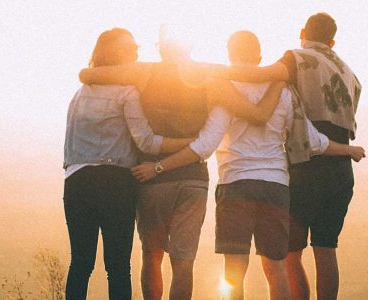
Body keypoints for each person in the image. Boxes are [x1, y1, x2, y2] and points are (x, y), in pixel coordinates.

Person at [130, 31, 365, 300]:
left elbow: (205, 145)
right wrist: (348, 149)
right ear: (260, 56)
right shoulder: (285, 92)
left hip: (235, 185)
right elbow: (311, 140)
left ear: (230, 54)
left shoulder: (225, 90)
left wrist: (160, 166)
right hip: (275, 187)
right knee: (275, 268)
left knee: (234, 271)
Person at [78, 27, 283, 300]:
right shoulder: (210, 76)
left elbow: (87, 74)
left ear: (161, 46)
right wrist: (281, 77)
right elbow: (257, 114)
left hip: (151, 177)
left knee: (152, 256)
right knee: (183, 263)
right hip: (194, 180)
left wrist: (89, 72)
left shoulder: (144, 72)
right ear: (189, 45)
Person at [219, 13, 363, 300]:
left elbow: (258, 76)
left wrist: (207, 72)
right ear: (332, 41)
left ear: (302, 32)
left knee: (289, 254)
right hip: (340, 168)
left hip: (305, 166)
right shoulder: (349, 73)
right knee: (326, 249)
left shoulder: (295, 58)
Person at [62, 28, 192, 300]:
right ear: (112, 52)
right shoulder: (127, 92)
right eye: (129, 48)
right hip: (115, 182)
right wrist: (187, 143)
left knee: (80, 263)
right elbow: (145, 142)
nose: (135, 52)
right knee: (118, 266)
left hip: (76, 181)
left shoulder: (79, 93)